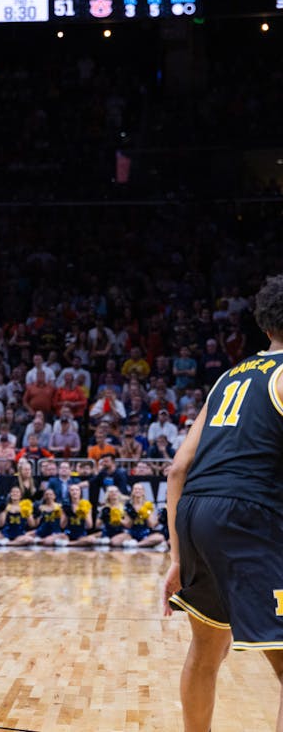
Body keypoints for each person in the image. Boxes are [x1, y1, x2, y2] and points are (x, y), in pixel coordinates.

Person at [163, 275, 283, 732]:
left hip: (196, 512)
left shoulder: (228, 378)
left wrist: (177, 558)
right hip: (247, 513)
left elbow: (177, 469)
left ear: (265, 325)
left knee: (206, 650)